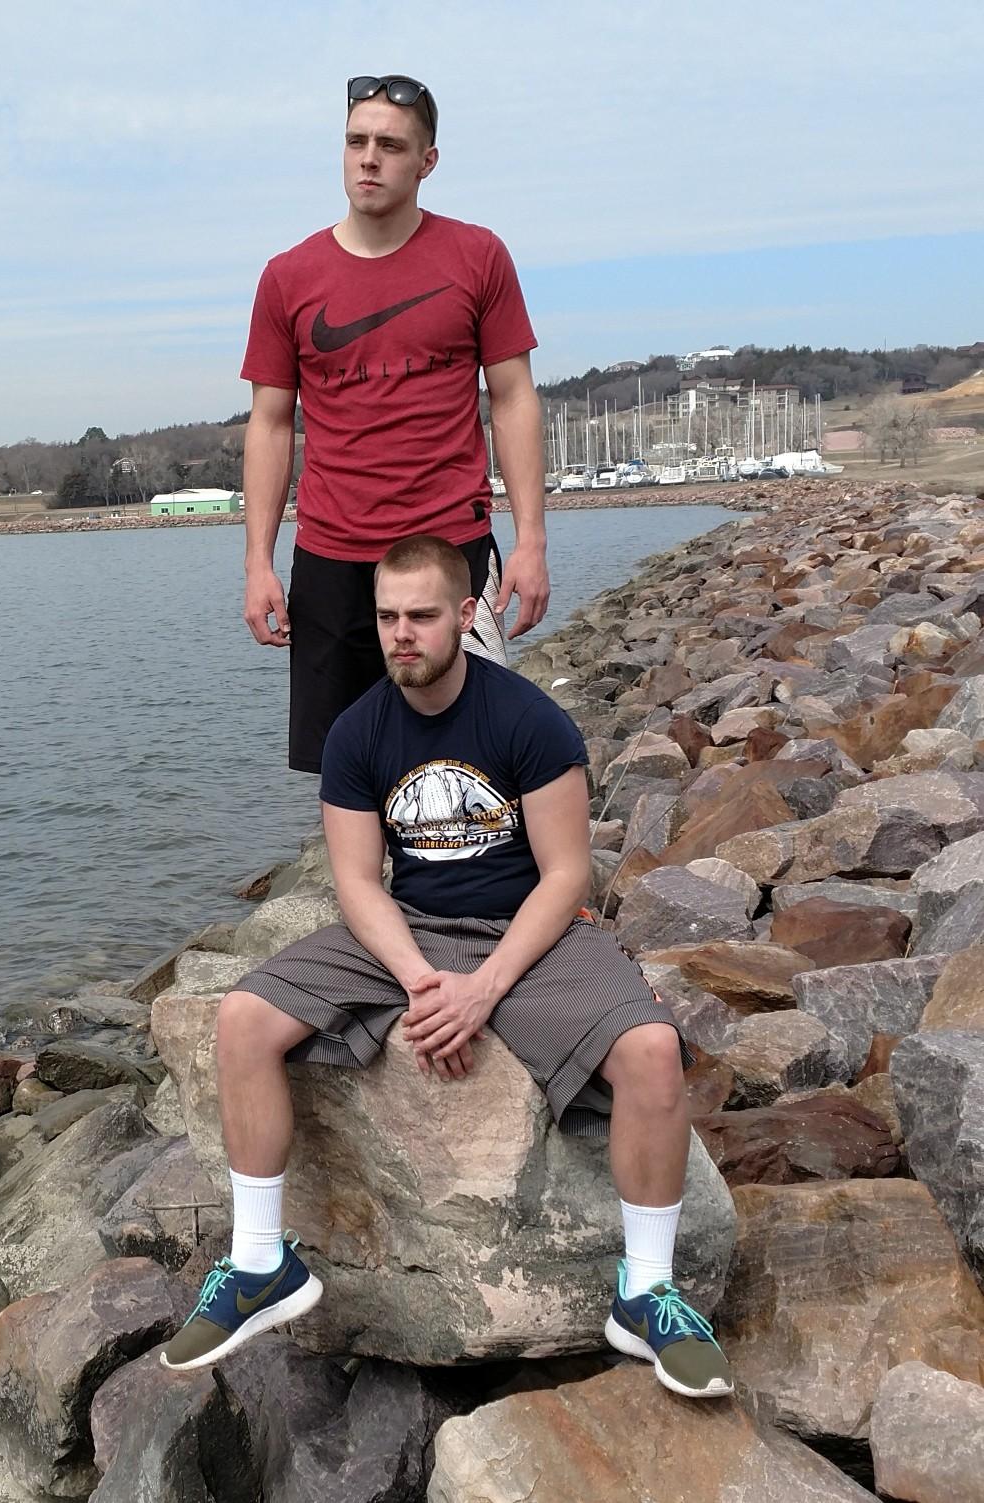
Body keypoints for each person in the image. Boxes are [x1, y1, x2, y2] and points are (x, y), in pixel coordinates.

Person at [163, 536, 733, 1400]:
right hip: (410, 927)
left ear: (466, 617)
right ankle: (259, 1265)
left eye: (421, 616)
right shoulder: (358, 730)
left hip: (529, 928)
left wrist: (487, 986)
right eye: (387, 616)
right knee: (242, 1020)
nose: (401, 634)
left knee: (651, 1050)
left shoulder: (528, 720)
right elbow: (356, 880)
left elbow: (567, 873)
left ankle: (645, 1293)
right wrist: (423, 981)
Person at [240, 73, 551, 774]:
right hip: (331, 553)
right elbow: (269, 422)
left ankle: (468, 882)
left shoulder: (478, 257)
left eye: (388, 144)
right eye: (355, 142)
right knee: (346, 758)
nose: (368, 159)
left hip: (450, 546)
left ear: (426, 161)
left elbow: (512, 398)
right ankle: (356, 885)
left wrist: (530, 541)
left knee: (469, 748)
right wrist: (258, 562)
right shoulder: (287, 276)